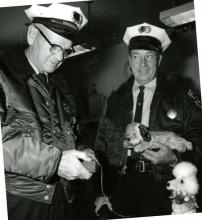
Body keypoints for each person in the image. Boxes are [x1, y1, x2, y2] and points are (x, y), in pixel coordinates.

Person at [94, 22, 202, 218]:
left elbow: (200, 142)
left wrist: (174, 158)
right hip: (123, 186)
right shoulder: (116, 99)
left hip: (167, 184)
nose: (142, 64)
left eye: (149, 57)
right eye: (136, 56)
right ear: (129, 59)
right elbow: (101, 147)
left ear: (159, 59)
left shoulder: (181, 95)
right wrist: (102, 193)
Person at [0, 3, 97, 220]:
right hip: (20, 201)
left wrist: (84, 153)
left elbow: (69, 133)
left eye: (66, 50)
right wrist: (55, 162)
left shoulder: (59, 85)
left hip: (62, 199)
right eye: (54, 47)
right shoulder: (3, 74)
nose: (60, 57)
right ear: (32, 34)